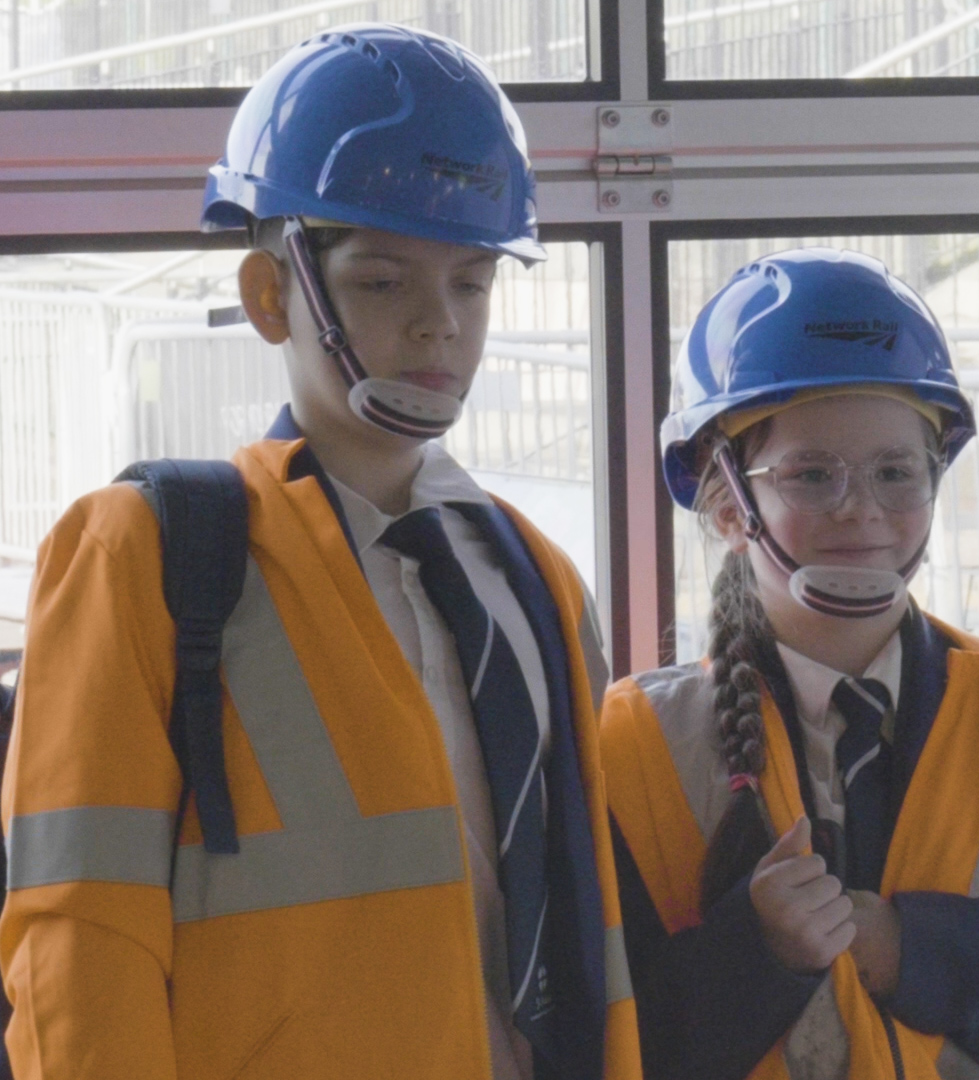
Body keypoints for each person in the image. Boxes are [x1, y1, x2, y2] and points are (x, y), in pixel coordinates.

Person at [0, 25, 640, 1080]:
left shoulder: (538, 583)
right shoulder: (145, 558)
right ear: (270, 296)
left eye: (472, 285)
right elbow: (77, 939)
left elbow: (579, 936)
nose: (440, 327)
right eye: (385, 282)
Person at [599, 248, 979, 1080]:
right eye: (812, 475)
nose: (862, 509)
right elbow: (602, 1048)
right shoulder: (629, 748)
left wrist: (920, 956)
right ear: (725, 502)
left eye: (897, 472)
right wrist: (753, 958)